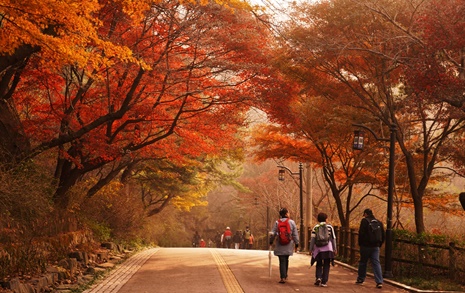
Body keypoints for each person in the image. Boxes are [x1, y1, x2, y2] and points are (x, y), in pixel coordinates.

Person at [356, 208, 385, 289]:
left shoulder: (364, 221)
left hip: (365, 246)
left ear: (365, 214)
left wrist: (360, 244)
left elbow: (361, 233)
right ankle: (379, 281)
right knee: (376, 263)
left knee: (363, 262)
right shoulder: (379, 222)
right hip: (375, 246)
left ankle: (361, 278)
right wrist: (379, 244)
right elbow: (383, 235)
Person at [269, 208, 299, 284]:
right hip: (289, 244)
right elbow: (295, 234)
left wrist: (271, 241)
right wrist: (297, 243)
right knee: (286, 259)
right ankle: (285, 275)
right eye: (288, 213)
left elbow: (273, 233)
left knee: (281, 260)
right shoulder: (291, 222)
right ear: (286, 214)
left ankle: (283, 277)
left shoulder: (277, 222)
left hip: (280, 243)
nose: (289, 214)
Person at [309, 212, 337, 287]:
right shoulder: (330, 227)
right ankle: (324, 281)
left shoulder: (316, 227)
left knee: (319, 263)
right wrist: (335, 249)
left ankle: (318, 277)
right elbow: (333, 238)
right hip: (328, 249)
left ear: (318, 219)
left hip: (318, 249)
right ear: (326, 219)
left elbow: (312, 239)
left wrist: (310, 249)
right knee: (327, 264)